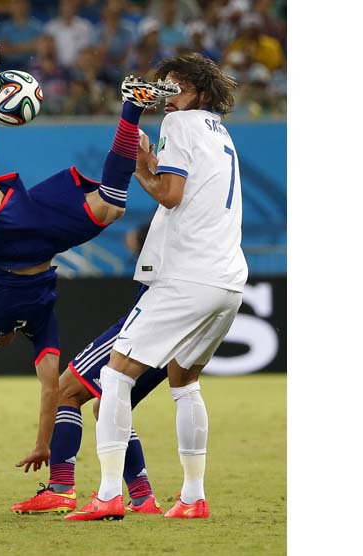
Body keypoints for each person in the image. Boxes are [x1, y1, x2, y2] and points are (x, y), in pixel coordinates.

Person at [0, 36, 181, 516]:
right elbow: (47, 384)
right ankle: (131, 110)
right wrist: (35, 444)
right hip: (46, 240)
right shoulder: (37, 321)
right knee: (111, 206)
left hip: (0, 245)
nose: (5, 341)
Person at [64, 52, 247, 521]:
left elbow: (170, 193)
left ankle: (108, 494)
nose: (167, 98)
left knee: (116, 374)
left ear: (199, 93)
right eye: (163, 87)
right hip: (227, 280)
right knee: (184, 382)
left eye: (176, 88)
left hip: (187, 276)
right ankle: (192, 497)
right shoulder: (220, 132)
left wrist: (144, 165)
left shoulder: (181, 126)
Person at [9, 287, 170, 515]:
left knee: (65, 390)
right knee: (108, 406)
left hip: (151, 320)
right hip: (185, 325)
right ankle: (142, 496)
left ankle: (61, 488)